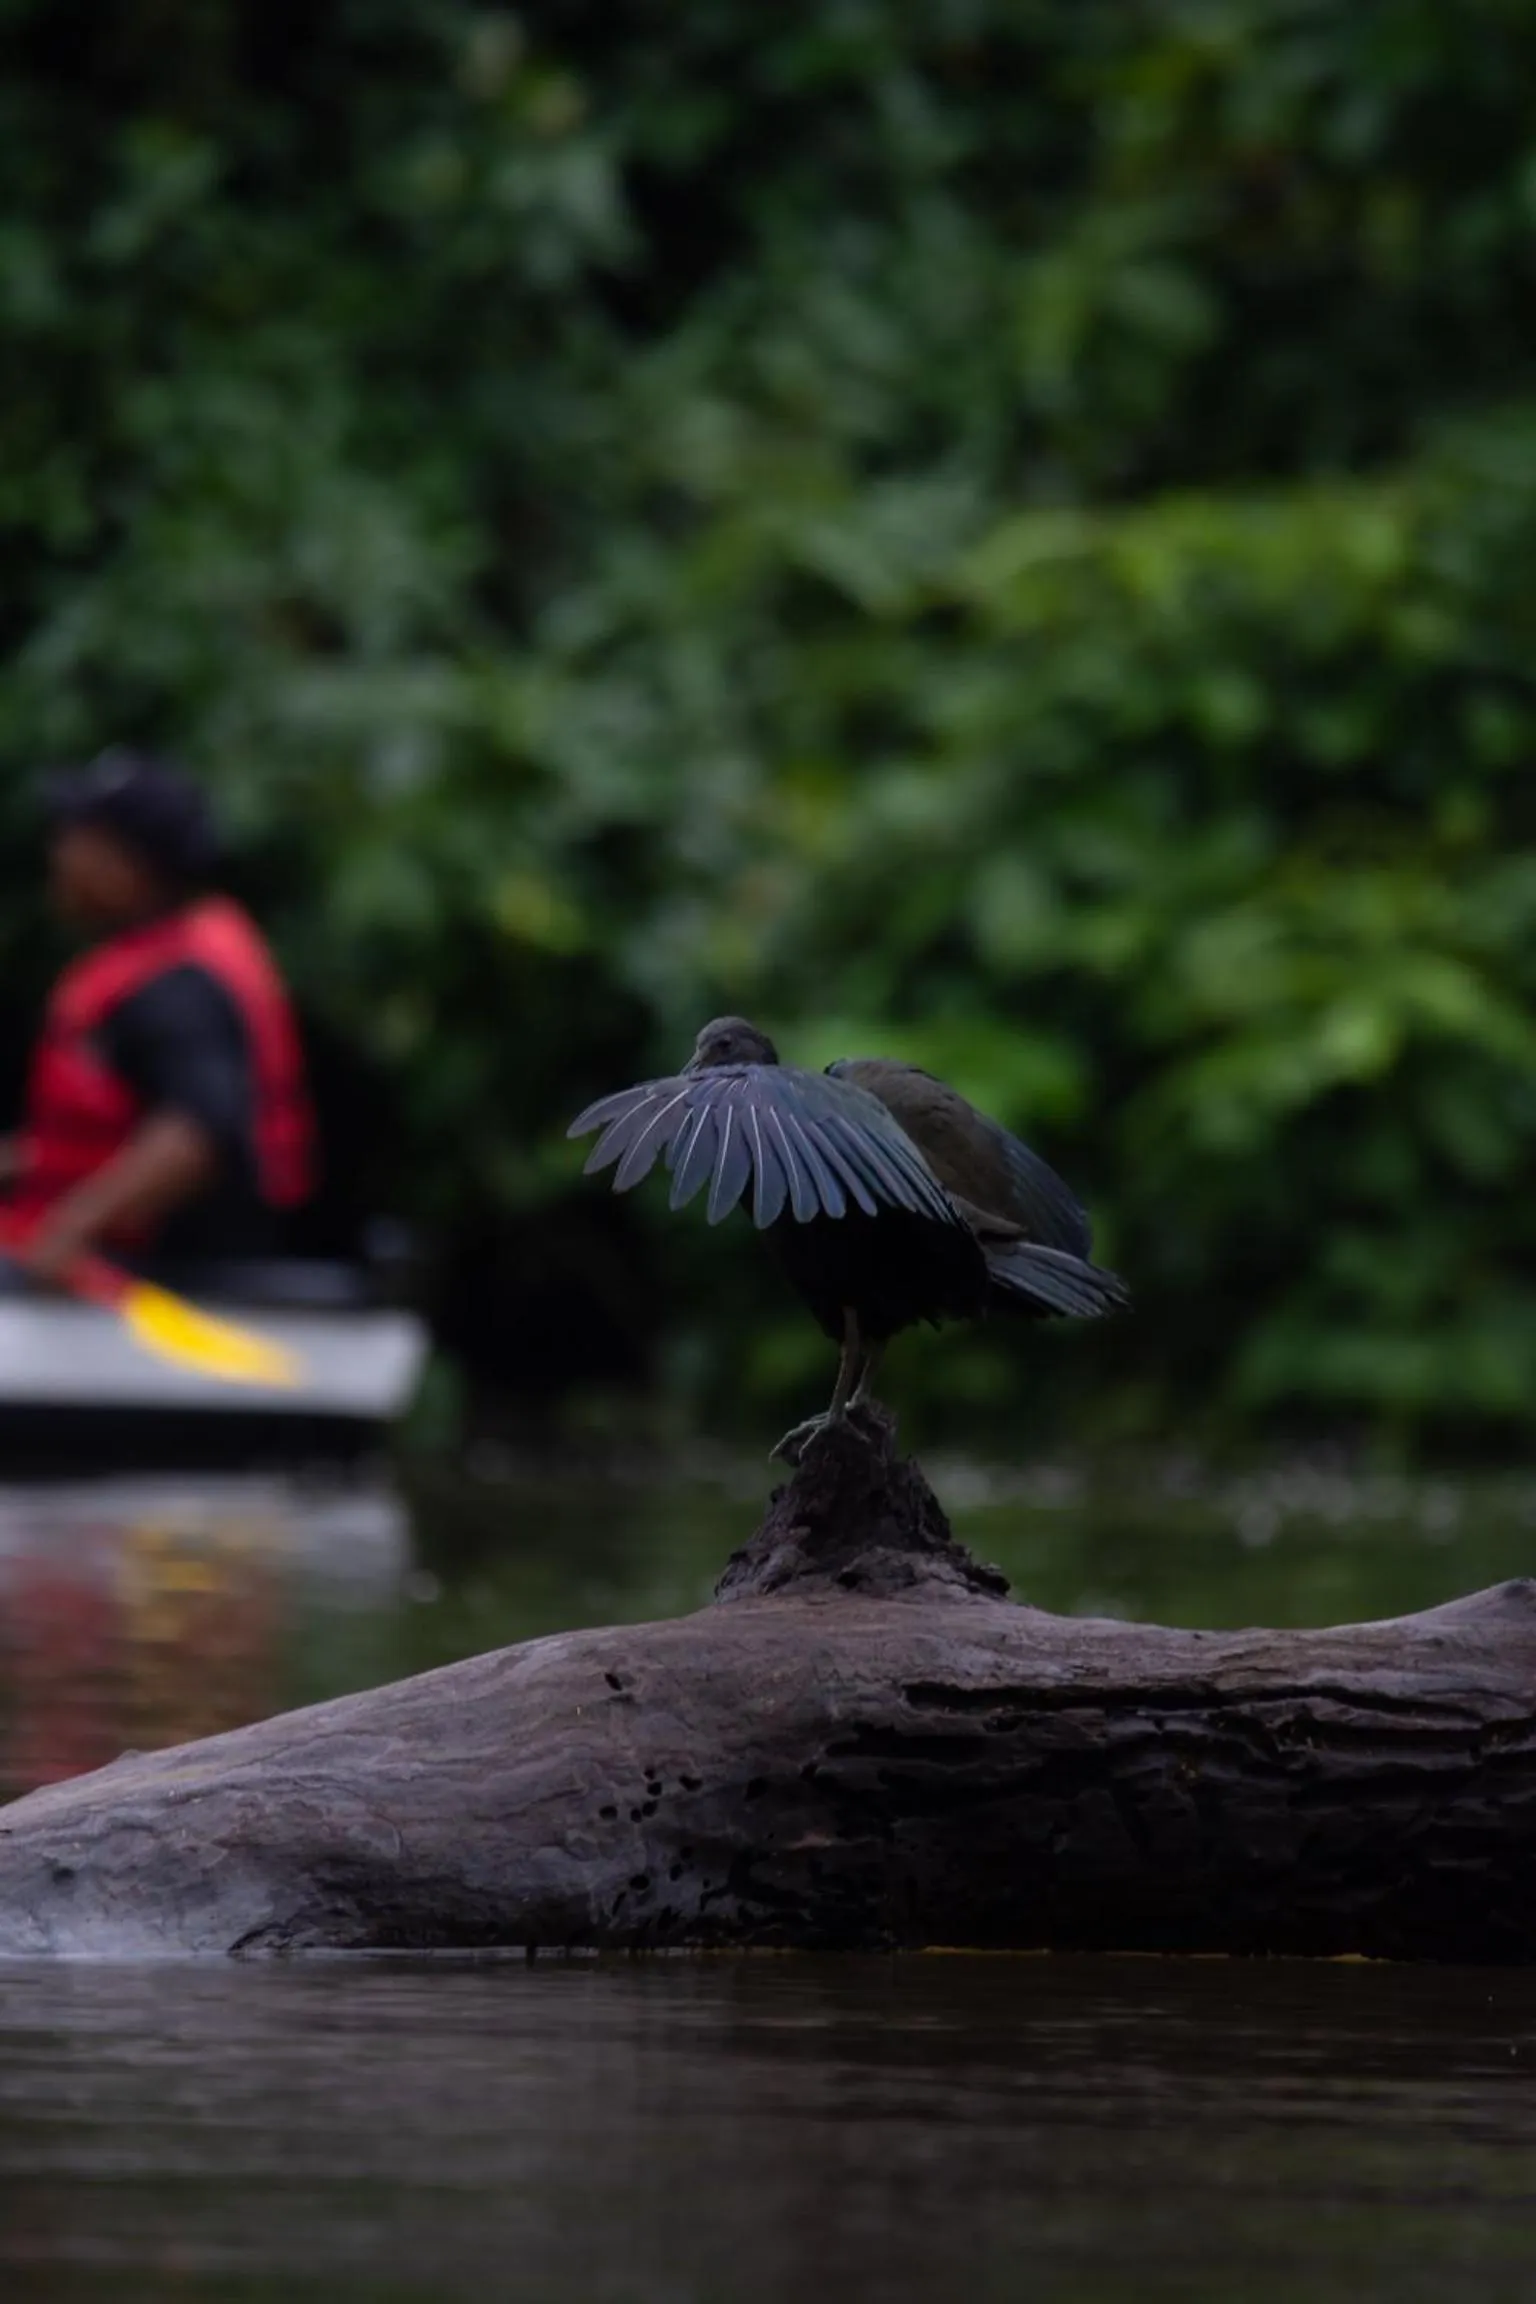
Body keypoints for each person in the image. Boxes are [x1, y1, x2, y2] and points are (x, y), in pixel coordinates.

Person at [0, 752, 316, 1281]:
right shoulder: (151, 961)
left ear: (130, 865)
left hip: (157, 1280)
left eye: (77, 840)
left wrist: (69, 1230)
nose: (59, 856)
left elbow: (199, 1133)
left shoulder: (178, 987)